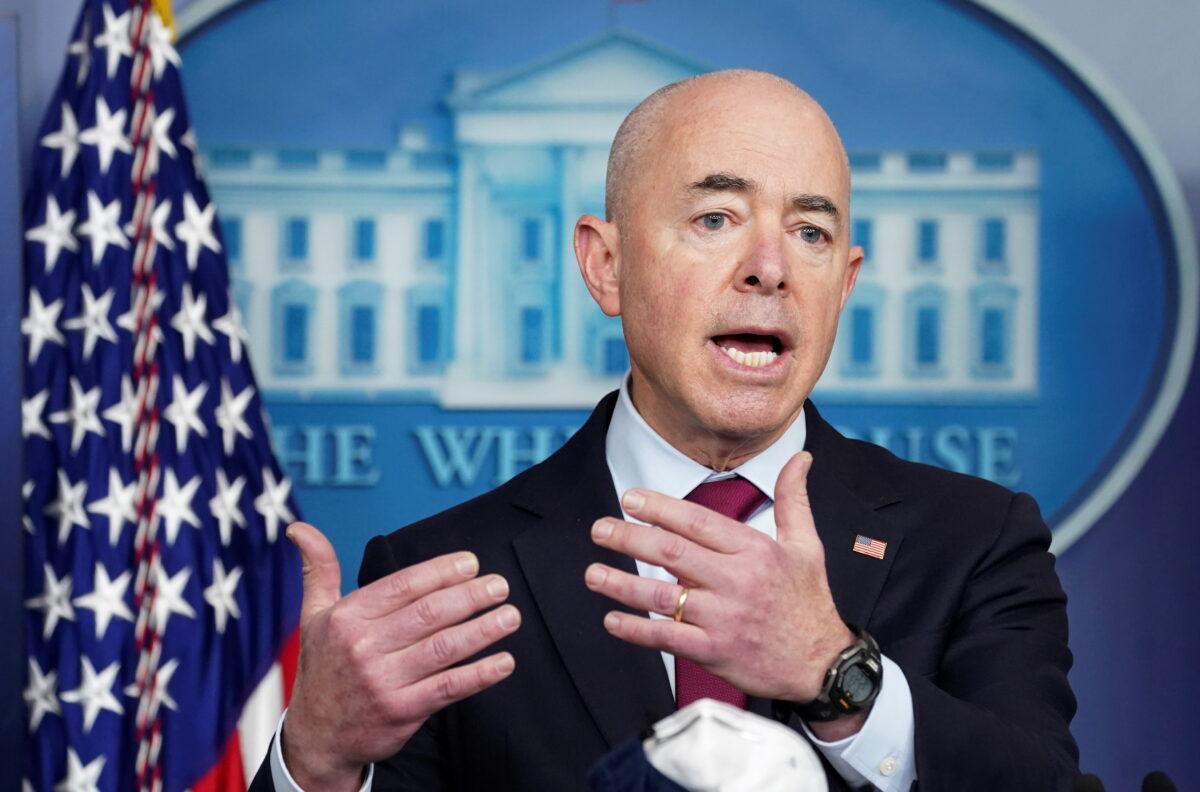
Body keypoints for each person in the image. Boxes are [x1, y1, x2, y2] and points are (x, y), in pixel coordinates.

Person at [252, 70, 1078, 791]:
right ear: (604, 265)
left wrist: (835, 674)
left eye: (811, 232)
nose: (770, 266)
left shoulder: (975, 541)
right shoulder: (442, 575)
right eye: (716, 218)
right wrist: (317, 764)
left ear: (845, 283)